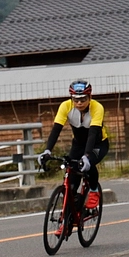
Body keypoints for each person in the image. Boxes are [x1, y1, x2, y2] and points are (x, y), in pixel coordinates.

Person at [38, 81, 109, 210]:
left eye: (83, 99)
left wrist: (87, 156)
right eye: (76, 100)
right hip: (78, 143)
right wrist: (47, 150)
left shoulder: (97, 108)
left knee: (89, 163)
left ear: (90, 97)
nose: (79, 103)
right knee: (71, 178)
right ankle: (68, 219)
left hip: (98, 143)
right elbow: (56, 129)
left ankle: (93, 190)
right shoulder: (65, 106)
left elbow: (92, 134)